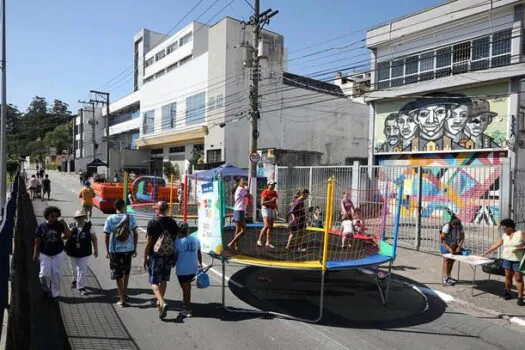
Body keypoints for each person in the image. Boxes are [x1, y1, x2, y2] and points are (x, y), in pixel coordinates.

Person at [143, 201, 179, 319]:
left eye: (156, 209)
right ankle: (160, 302)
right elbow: (175, 241)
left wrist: (145, 257)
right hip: (168, 255)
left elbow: (149, 243)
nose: (155, 210)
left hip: (156, 255)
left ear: (159, 210)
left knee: (153, 282)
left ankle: (162, 302)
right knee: (163, 279)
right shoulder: (173, 222)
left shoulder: (152, 222)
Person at [104, 199, 139, 307]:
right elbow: (136, 234)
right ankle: (125, 293)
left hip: (115, 250)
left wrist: (107, 251)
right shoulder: (130, 217)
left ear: (115, 207)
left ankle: (121, 298)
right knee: (126, 272)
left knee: (118, 274)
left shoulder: (110, 218)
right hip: (128, 249)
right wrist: (134, 248)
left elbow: (106, 235)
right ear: (124, 206)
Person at [483, 219, 524, 306]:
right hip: (507, 259)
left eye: (504, 228)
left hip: (517, 260)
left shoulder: (520, 233)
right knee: (508, 276)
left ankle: (520, 297)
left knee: (518, 278)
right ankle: (507, 292)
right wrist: (485, 253)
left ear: (510, 227)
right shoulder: (505, 235)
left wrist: (520, 249)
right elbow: (497, 244)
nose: (503, 230)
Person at [33, 206, 71, 299]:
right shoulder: (41, 227)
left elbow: (67, 235)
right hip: (45, 253)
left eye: (56, 216)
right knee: (44, 274)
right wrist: (35, 253)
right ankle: (46, 289)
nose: (54, 218)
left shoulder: (59, 225)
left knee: (56, 274)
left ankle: (55, 294)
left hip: (58, 253)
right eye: (52, 216)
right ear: (47, 216)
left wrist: (64, 224)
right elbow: (37, 241)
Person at [66, 210, 98, 296]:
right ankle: (75, 279)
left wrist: (96, 249)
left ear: (84, 217)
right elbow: (64, 237)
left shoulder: (89, 226)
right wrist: (70, 231)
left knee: (82, 269)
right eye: (78, 217)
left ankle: (81, 287)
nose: (80, 219)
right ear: (75, 218)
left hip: (84, 252)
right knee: (73, 268)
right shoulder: (71, 226)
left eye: (82, 217)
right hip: (72, 252)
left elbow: (94, 238)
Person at [174, 223, 202, 317]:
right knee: (187, 288)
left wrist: (172, 263)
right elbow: (199, 252)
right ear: (188, 230)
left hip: (183, 270)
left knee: (186, 290)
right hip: (193, 269)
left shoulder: (178, 242)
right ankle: (185, 303)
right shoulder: (195, 239)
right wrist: (200, 264)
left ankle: (188, 309)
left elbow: (175, 256)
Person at [439, 216, 465, 286]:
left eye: (457, 227)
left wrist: (459, 247)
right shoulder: (447, 227)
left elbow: (462, 238)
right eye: (454, 226)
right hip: (446, 245)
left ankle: (449, 276)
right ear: (451, 224)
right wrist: (448, 248)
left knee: (452, 260)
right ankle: (445, 278)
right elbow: (442, 239)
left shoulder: (460, 226)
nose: (456, 228)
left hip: (454, 245)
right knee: (447, 260)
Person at [227, 178, 248, 252]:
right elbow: (248, 195)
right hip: (239, 211)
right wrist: (246, 189)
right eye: (243, 181)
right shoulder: (240, 189)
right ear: (239, 182)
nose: (244, 182)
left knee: (238, 229)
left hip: (238, 210)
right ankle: (232, 243)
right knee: (244, 230)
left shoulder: (239, 189)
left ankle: (236, 245)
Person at [258, 181, 279, 248]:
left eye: (274, 185)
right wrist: (270, 201)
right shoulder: (265, 192)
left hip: (272, 209)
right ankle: (259, 240)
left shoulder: (275, 193)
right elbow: (262, 203)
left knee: (270, 227)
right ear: (268, 185)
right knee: (266, 225)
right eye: (272, 185)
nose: (273, 186)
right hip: (265, 209)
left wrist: (277, 210)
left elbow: (275, 202)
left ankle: (268, 242)